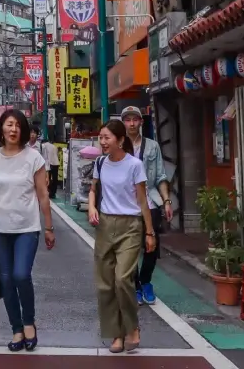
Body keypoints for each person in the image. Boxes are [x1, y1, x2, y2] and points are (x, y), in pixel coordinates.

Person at [0, 109, 55, 352]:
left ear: (23, 131)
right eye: (9, 124)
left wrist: (49, 227)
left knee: (21, 275)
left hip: (27, 227)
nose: (13, 130)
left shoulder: (34, 158)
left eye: (18, 126)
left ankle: (29, 322)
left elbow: (43, 195)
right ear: (1, 128)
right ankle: (16, 329)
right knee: (6, 279)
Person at [88, 119, 155, 354]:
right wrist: (91, 207)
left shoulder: (134, 165)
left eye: (107, 138)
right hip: (105, 224)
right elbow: (94, 189)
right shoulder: (100, 162)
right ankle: (115, 334)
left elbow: (142, 201)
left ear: (120, 140)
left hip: (130, 226)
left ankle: (132, 328)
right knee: (105, 284)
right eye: (101, 137)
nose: (103, 142)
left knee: (122, 279)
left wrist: (149, 231)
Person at [121, 106, 172, 305]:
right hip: (125, 202)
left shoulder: (152, 146)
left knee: (151, 244)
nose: (132, 123)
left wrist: (167, 200)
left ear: (141, 122)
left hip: (149, 199)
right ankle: (135, 286)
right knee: (129, 247)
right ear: (123, 122)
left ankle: (146, 281)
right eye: (128, 120)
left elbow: (160, 175)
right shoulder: (117, 146)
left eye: (135, 119)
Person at [37, 132, 60, 199]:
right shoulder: (54, 146)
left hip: (49, 164)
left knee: (48, 178)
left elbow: (44, 156)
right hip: (56, 163)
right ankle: (53, 193)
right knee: (55, 179)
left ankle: (48, 192)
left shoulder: (43, 146)